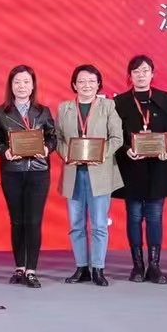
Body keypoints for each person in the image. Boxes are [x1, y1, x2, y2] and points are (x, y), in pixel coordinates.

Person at [112, 54, 167, 284]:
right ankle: (137, 266)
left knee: (155, 217)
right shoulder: (119, 102)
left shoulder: (164, 99)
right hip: (132, 167)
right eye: (136, 71)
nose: (141, 75)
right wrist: (126, 149)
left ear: (152, 74)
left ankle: (155, 266)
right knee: (134, 216)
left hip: (158, 168)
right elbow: (115, 134)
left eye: (145, 71)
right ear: (129, 76)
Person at [56, 64, 123, 286]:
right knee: (76, 224)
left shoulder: (108, 106)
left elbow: (117, 138)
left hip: (99, 173)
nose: (87, 85)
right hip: (74, 173)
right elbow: (58, 138)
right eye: (82, 81)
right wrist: (67, 154)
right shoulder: (64, 108)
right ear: (74, 85)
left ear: (98, 84)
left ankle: (98, 268)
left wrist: (100, 154)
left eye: (92, 81)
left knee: (99, 224)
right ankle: (81, 267)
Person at [0, 64, 58, 288]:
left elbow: (52, 137)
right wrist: (4, 150)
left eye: (26, 82)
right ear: (10, 86)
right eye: (17, 82)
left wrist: (47, 149)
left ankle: (31, 270)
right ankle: (19, 267)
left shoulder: (43, 111)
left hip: (38, 172)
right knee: (17, 221)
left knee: (33, 221)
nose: (22, 86)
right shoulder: (0, 112)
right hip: (12, 172)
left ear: (33, 86)